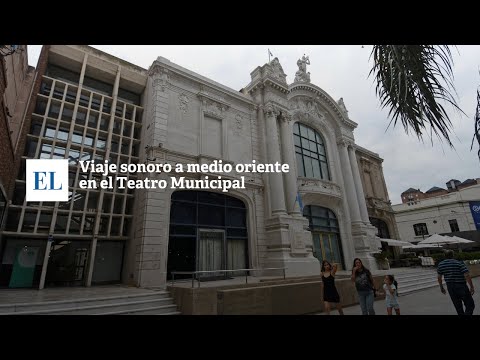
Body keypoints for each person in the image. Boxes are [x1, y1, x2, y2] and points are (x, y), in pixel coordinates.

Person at [437, 250, 475, 315]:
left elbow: (439, 277)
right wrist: (471, 287)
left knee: (458, 306)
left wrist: (441, 287)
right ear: (453, 255)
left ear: (444, 256)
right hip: (461, 285)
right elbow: (466, 275)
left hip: (450, 287)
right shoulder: (459, 263)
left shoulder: (441, 264)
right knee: (470, 304)